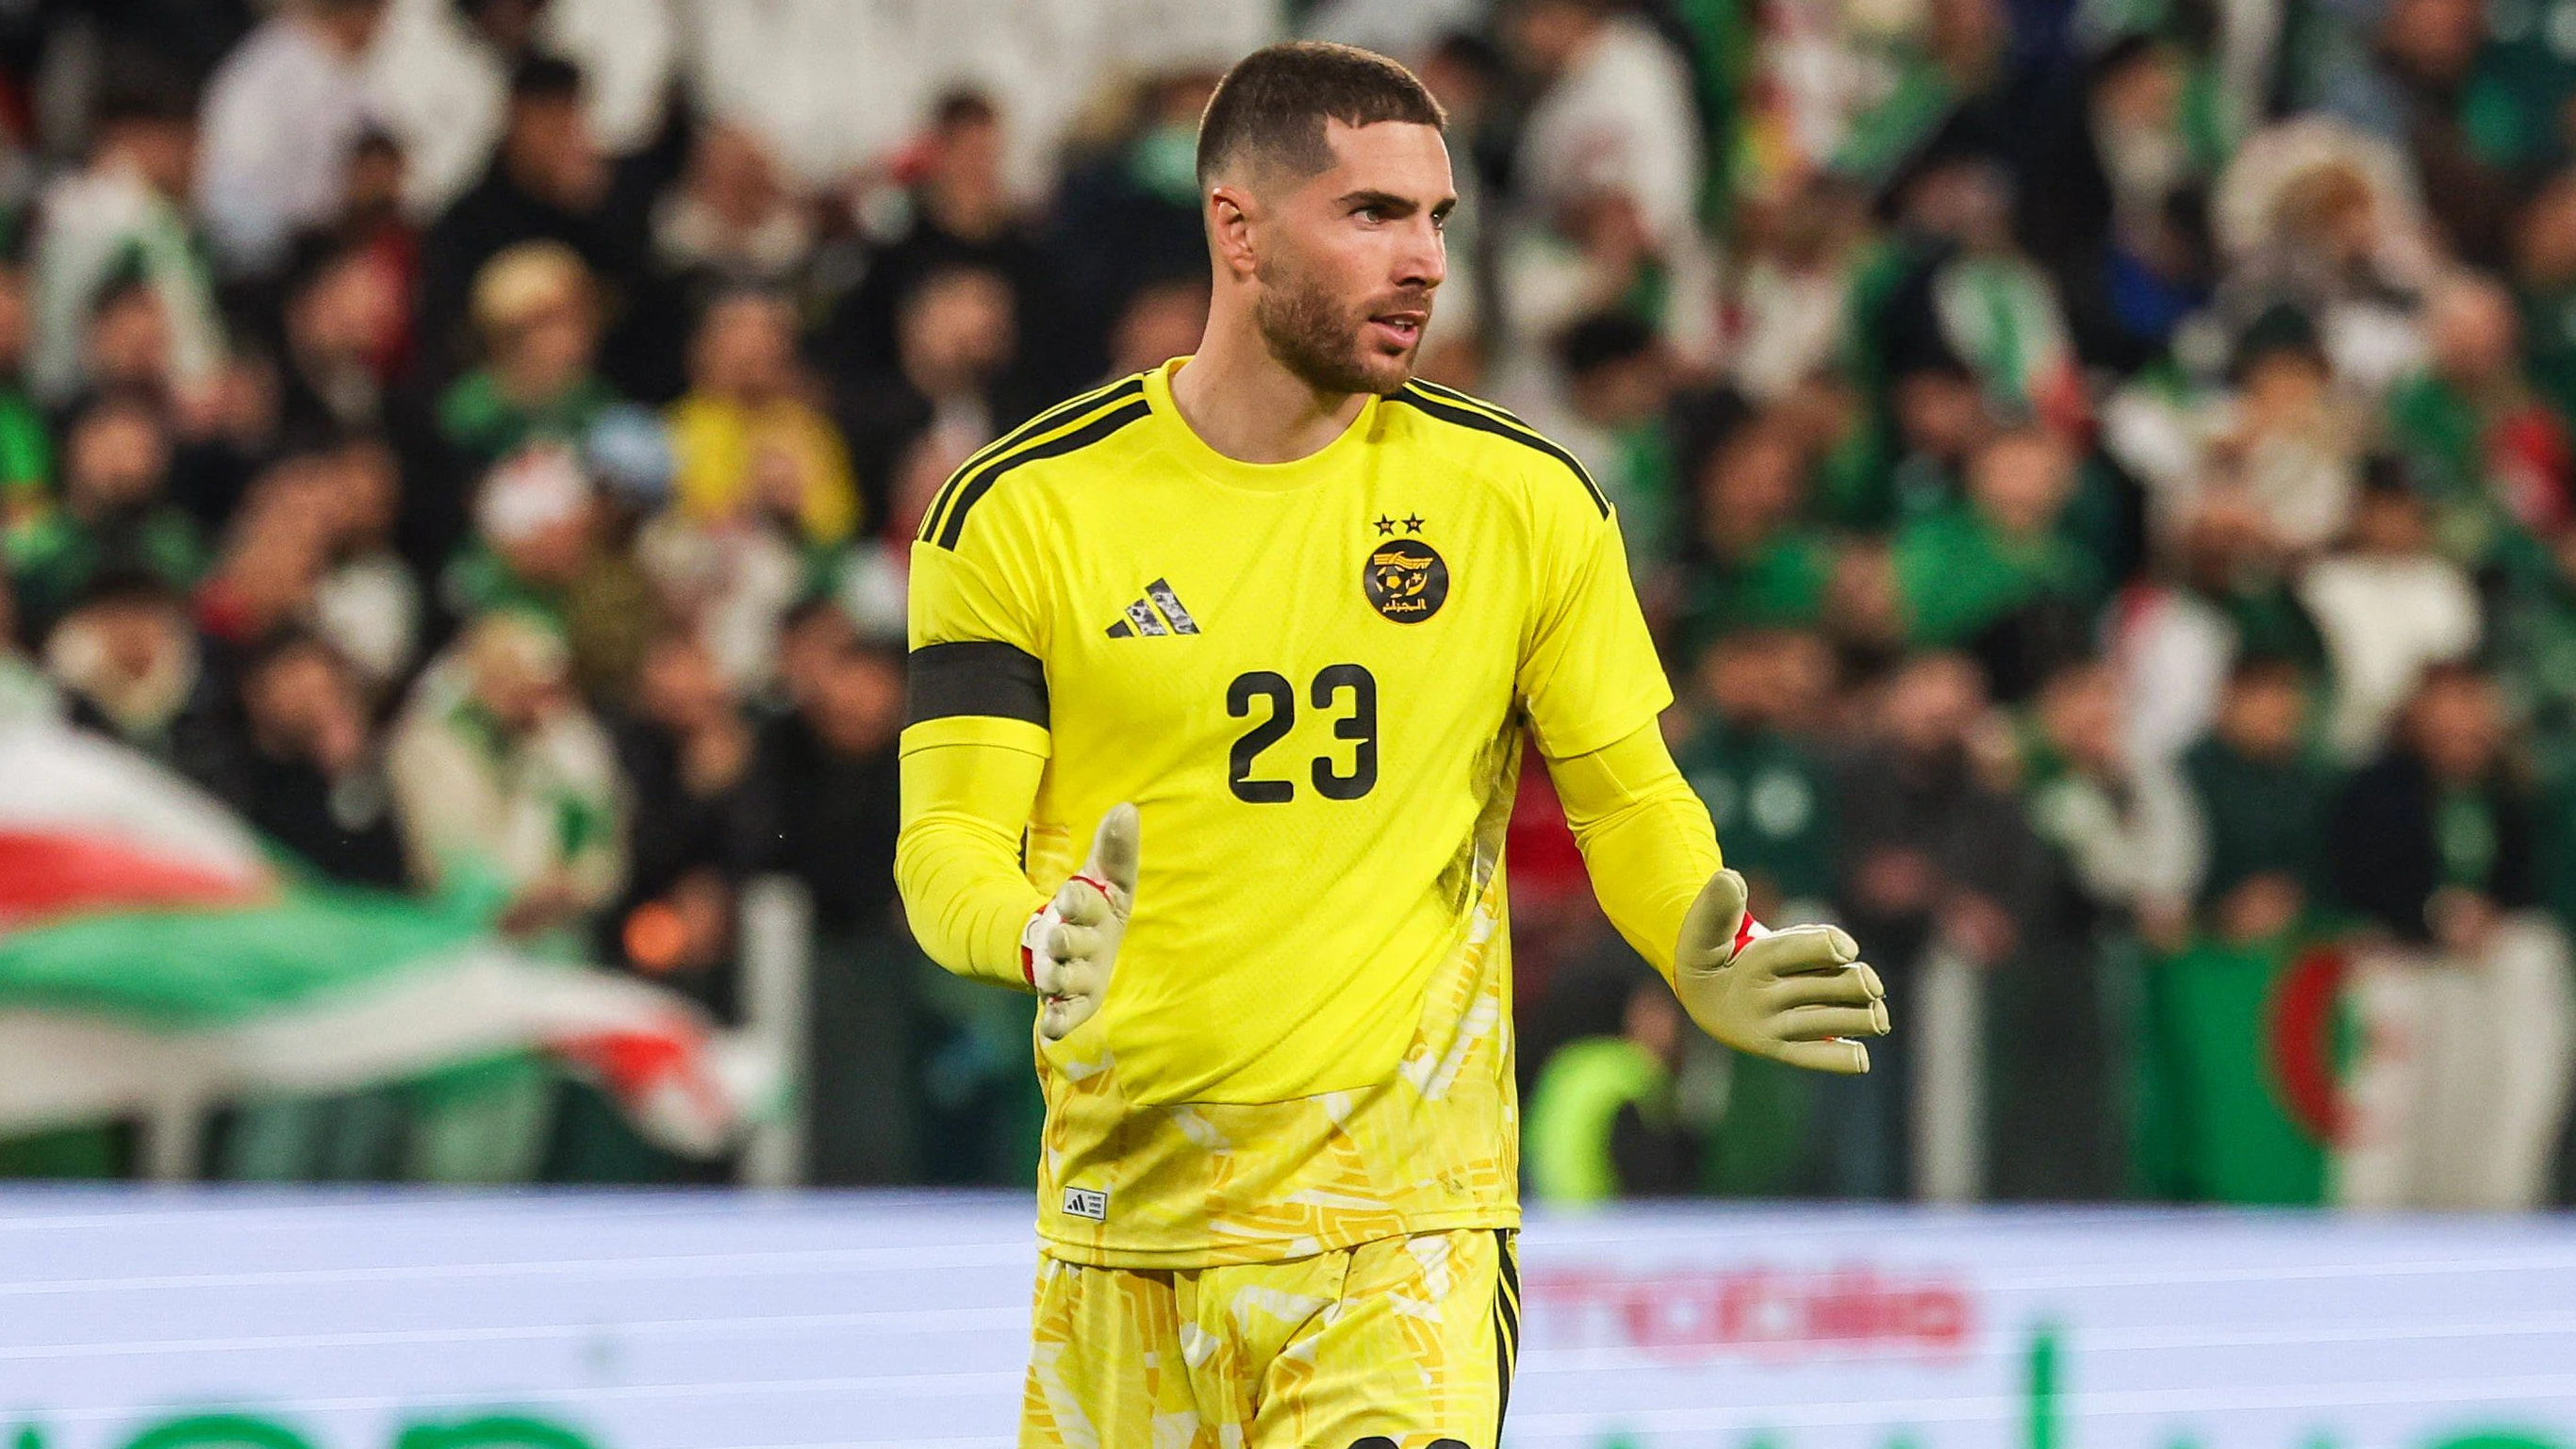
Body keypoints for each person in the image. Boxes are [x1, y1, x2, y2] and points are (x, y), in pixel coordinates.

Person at [893, 42, 1888, 1445]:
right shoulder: (1018, 513)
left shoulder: (1525, 501)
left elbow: (1626, 800)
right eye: (1372, 213)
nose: (1424, 261)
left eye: (1437, 219)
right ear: (1238, 229)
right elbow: (945, 845)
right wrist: (1028, 933)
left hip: (1403, 1236)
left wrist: (1697, 946)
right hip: (1122, 1239)